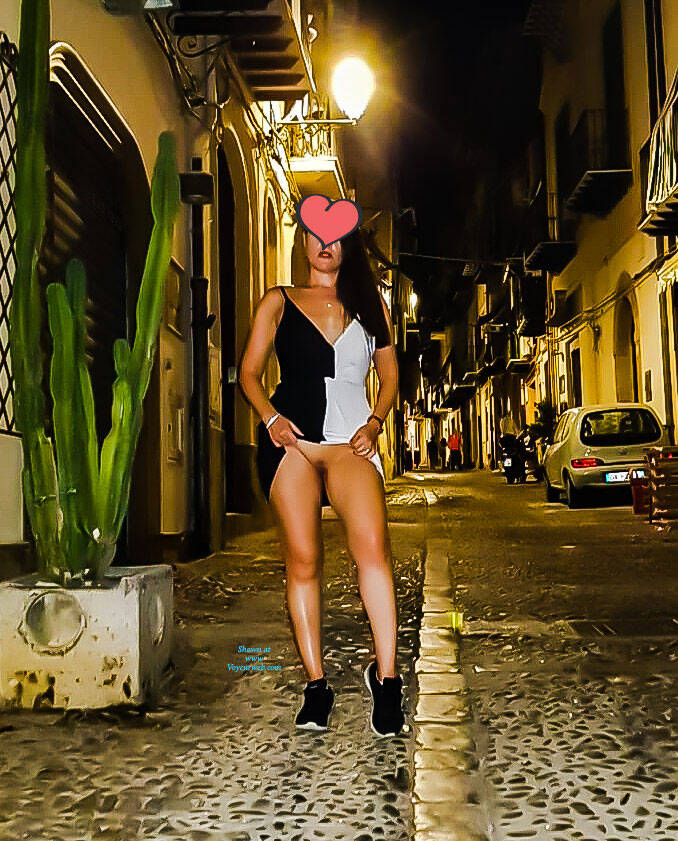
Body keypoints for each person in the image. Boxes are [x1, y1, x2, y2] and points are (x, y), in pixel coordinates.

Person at [238, 226, 405, 737]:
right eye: (314, 234)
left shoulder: (371, 305)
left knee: (373, 547)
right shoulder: (278, 300)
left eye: (335, 236)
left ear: (347, 246)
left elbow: (390, 377)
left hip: (351, 443)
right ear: (304, 244)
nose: (325, 243)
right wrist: (270, 418)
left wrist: (375, 423)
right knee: (304, 559)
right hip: (293, 442)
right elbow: (249, 373)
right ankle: (316, 686)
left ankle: (388, 680)